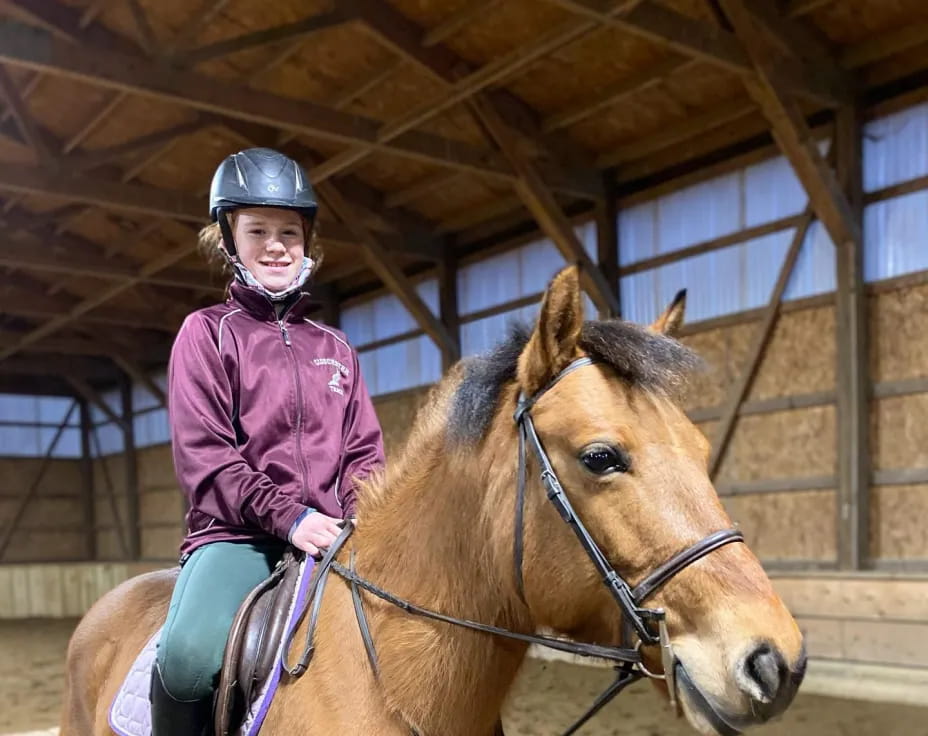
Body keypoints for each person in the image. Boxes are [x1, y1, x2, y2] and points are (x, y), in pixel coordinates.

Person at [151, 148, 385, 735]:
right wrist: (291, 518)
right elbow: (207, 460)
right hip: (239, 536)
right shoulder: (206, 334)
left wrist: (360, 519)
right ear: (229, 240)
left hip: (335, 537)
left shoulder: (337, 348)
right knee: (187, 663)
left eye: (289, 232)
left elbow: (364, 454)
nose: (277, 245)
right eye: (258, 231)